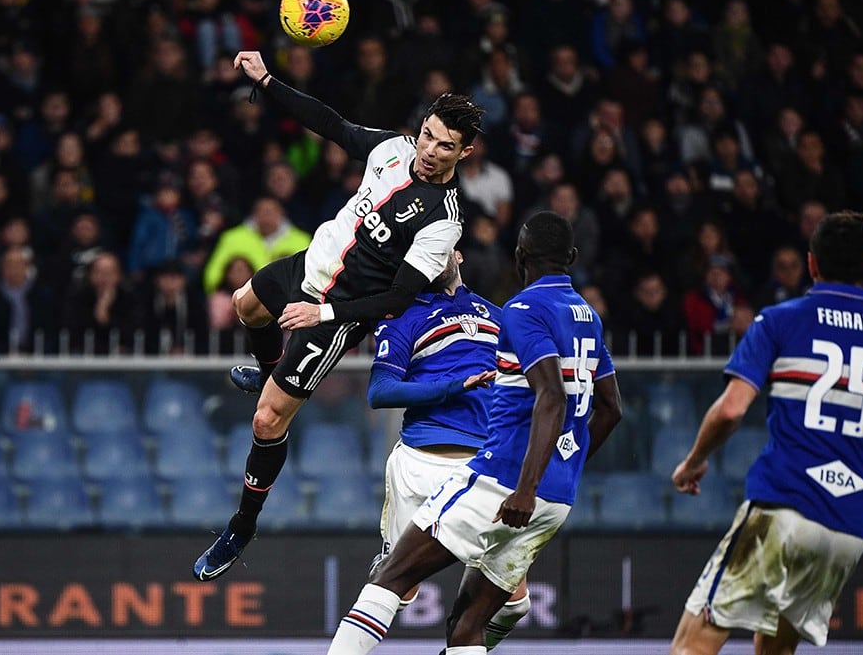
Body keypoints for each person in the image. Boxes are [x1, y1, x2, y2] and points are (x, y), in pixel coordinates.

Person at [193, 50, 481, 581]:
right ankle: (267, 366)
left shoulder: (443, 222)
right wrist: (269, 81)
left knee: (267, 418)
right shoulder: (394, 150)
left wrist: (321, 312)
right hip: (312, 265)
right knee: (242, 304)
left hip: (337, 312)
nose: (429, 151)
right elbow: (332, 124)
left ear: (464, 152)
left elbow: (396, 300)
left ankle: (241, 526)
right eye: (428, 135)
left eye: (446, 145)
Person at [325, 212, 624, 654]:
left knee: (399, 580)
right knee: (456, 618)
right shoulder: (585, 316)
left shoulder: (511, 311)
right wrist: (455, 387)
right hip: (464, 468)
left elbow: (553, 397)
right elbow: (610, 408)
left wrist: (525, 486)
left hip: (498, 474)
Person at [669, 211, 863, 655]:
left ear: (812, 264)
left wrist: (694, 459)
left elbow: (732, 409)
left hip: (784, 506)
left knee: (691, 645)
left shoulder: (781, 320)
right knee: (775, 651)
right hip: (849, 525)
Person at [367, 250, 529, 647]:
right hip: (421, 459)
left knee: (516, 603)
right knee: (395, 588)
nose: (432, 258)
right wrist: (453, 387)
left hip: (484, 465)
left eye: (440, 248)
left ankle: (459, 644)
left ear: (458, 253)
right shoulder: (402, 315)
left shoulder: (500, 315)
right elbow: (380, 391)